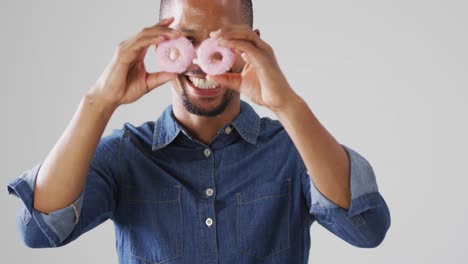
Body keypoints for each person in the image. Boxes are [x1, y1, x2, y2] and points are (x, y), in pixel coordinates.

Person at [6, 0, 391, 263]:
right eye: (187, 41)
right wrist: (98, 102)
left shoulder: (293, 150)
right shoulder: (126, 155)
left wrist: (286, 104)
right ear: (159, 44)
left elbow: (365, 227)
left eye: (224, 42)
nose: (205, 66)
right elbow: (40, 229)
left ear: (253, 43)